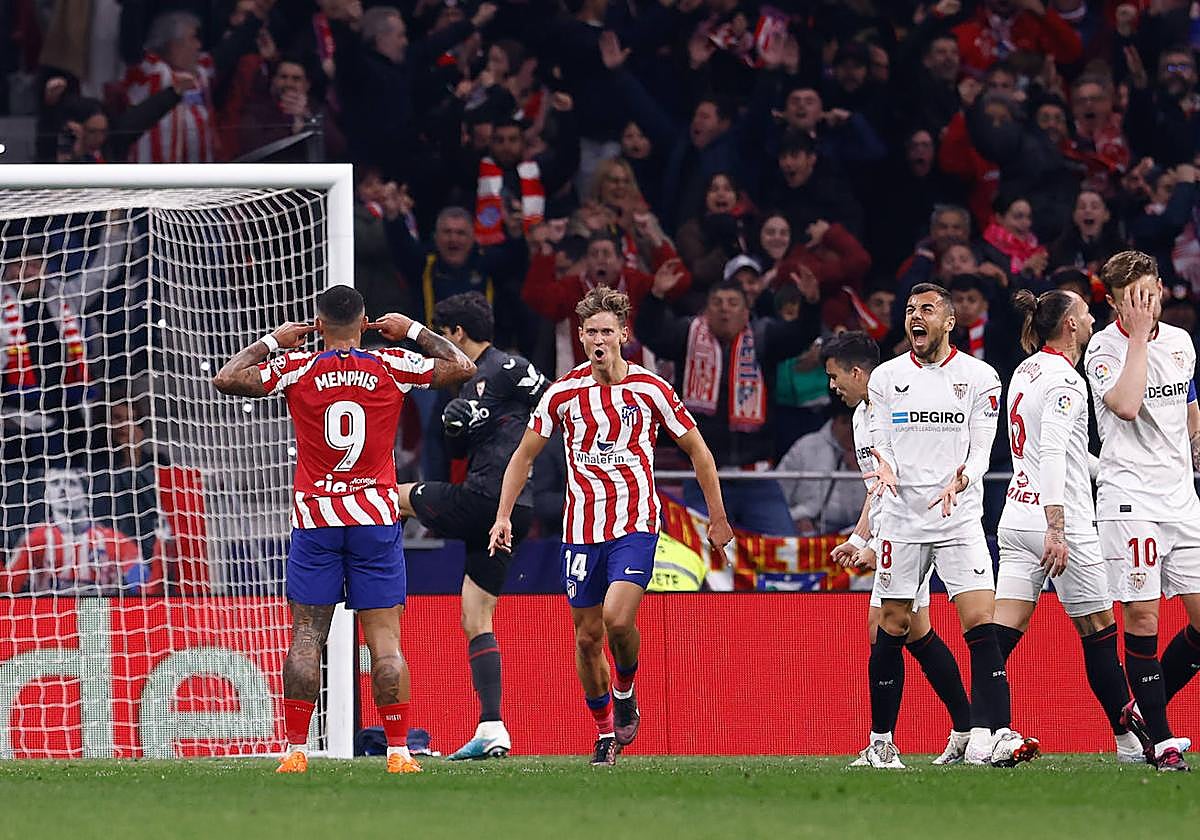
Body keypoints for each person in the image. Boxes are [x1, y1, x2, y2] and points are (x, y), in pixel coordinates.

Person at [212, 285, 475, 775]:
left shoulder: (296, 367)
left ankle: (294, 750)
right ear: (366, 320)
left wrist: (275, 341)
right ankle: (398, 752)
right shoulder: (392, 364)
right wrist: (414, 330)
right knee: (385, 642)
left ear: (317, 322)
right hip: (374, 518)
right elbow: (463, 367)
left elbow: (226, 378)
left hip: (317, 520)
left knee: (306, 637)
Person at [487, 286, 733, 766]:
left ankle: (625, 690)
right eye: (591, 332)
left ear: (624, 334)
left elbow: (699, 451)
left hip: (635, 522)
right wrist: (502, 516)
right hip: (580, 530)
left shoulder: (652, 389)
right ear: (580, 337)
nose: (600, 339)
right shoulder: (562, 393)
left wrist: (718, 518)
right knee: (585, 637)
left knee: (618, 620)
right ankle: (604, 732)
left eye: (608, 331)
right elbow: (523, 456)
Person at [864, 282, 1037, 769]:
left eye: (926, 310)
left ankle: (996, 733)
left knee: (981, 622)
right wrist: (887, 466)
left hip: (959, 517)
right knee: (892, 624)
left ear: (948, 321)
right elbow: (881, 441)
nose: (914, 317)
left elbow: (982, 447)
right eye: (909, 310)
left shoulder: (980, 377)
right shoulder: (885, 377)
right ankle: (881, 741)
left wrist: (965, 477)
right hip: (902, 519)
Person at [996, 288, 1146, 765]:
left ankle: (977, 732)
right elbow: (1056, 454)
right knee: (1099, 631)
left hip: (1016, 515)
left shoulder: (1025, 369)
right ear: (1070, 326)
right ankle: (1129, 744)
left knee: (997, 637)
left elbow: (1057, 449)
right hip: (1061, 524)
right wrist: (1057, 530)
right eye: (1085, 312)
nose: (1092, 317)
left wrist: (1116, 470)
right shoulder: (1066, 380)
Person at [396, 292, 548, 760]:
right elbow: (469, 444)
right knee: (475, 616)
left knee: (384, 497)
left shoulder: (493, 371)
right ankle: (492, 726)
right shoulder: (496, 377)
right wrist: (464, 427)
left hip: (487, 500)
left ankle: (369, 585)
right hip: (515, 509)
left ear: (456, 333)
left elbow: (548, 400)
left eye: (442, 334)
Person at [822, 332, 973, 767]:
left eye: (836, 377)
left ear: (857, 372)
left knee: (884, 626)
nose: (834, 388)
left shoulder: (899, 406)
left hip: (921, 528)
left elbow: (911, 481)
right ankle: (965, 728)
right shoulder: (859, 417)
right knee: (915, 631)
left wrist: (882, 543)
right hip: (895, 531)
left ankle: (882, 744)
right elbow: (880, 488)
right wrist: (860, 537)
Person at [1084, 250, 1200, 772]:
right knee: (1145, 614)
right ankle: (1161, 738)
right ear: (1114, 302)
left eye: (1151, 293)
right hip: (1130, 497)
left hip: (1180, 498)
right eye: (1134, 297)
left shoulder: (1181, 342)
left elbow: (1189, 406)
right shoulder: (1103, 350)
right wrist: (1134, 335)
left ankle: (1138, 707)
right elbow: (1127, 404)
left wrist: (1197, 444)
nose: (1147, 304)